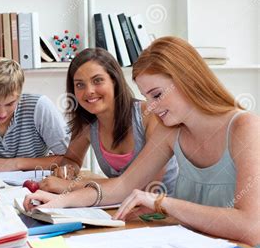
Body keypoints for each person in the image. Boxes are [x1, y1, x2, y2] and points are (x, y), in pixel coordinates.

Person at [24, 37, 260, 246]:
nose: (153, 107)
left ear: (189, 80)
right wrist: (61, 202)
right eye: (147, 97)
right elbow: (124, 185)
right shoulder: (172, 130)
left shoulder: (245, 127)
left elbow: (250, 227)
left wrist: (163, 203)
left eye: (157, 95)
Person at [40, 48, 178, 195]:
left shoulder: (150, 116)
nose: (89, 91)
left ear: (114, 81)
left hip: (161, 211)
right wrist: (67, 171)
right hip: (119, 204)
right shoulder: (88, 123)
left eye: (97, 80)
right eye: (80, 84)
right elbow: (71, 159)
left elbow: (142, 185)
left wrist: (71, 186)